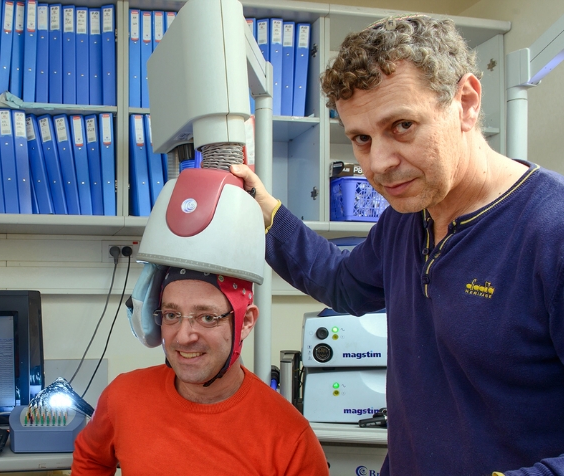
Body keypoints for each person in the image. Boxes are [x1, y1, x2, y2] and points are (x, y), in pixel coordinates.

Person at [231, 14, 564, 476]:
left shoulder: (551, 232)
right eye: (361, 139)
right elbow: (343, 284)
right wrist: (266, 212)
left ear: (466, 103)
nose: (380, 163)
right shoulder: (405, 222)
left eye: (402, 126)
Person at [71, 266, 329, 474]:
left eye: (207, 317)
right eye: (172, 315)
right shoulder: (122, 397)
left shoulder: (291, 439)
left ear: (246, 322)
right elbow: (90, 459)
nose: (183, 337)